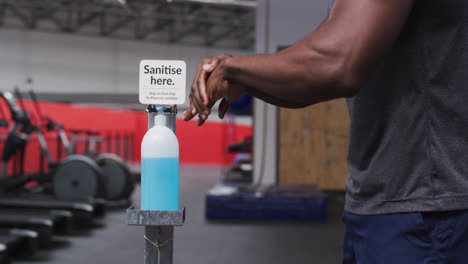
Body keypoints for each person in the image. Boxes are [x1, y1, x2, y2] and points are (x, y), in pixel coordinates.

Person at [184, 0, 468, 263]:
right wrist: (241, 77)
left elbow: (336, 63)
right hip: (384, 205)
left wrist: (233, 71)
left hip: (424, 211)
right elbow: (310, 71)